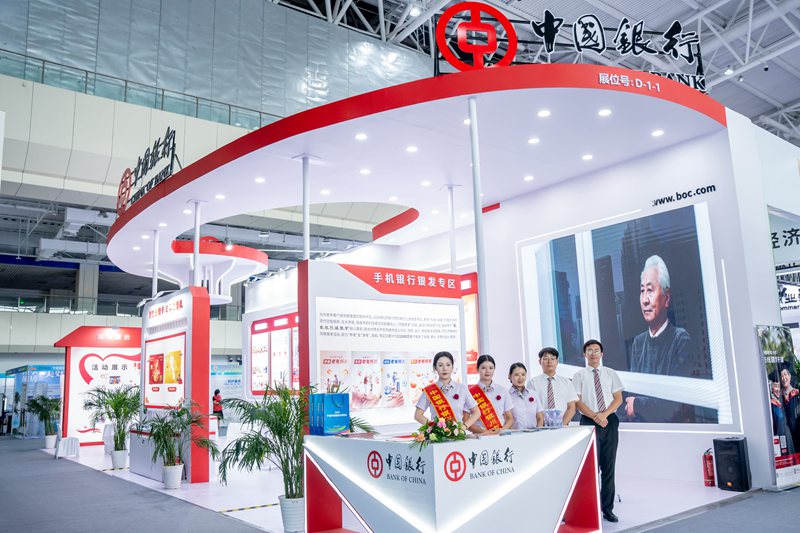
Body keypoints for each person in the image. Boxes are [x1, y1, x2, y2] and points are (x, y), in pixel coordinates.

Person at [626, 255, 692, 421]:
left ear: (666, 298)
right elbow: (630, 401)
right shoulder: (638, 343)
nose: (645, 300)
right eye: (642, 291)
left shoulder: (680, 340)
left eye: (650, 290)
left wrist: (638, 405)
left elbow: (675, 405)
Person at [574, 339, 623, 523]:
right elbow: (577, 401)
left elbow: (618, 398)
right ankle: (590, 508)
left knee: (609, 467)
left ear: (602, 354)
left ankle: (607, 509)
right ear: (584, 354)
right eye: (589, 350)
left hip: (609, 421)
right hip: (588, 421)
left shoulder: (611, 373)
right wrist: (595, 416)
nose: (593, 353)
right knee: (591, 468)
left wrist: (604, 415)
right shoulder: (579, 375)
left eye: (596, 350)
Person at [415, 352, 480, 430]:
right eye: (440, 365)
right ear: (435, 368)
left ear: (452, 367)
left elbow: (477, 412)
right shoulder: (429, 390)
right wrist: (434, 427)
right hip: (438, 436)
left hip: (458, 434)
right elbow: (418, 415)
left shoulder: (462, 389)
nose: (445, 368)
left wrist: (464, 426)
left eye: (448, 365)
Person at [530, 347, 577, 427]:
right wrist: (540, 426)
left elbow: (571, 408)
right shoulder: (533, 382)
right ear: (540, 361)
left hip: (563, 427)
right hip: (541, 427)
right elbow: (532, 408)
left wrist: (561, 425)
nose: (549, 361)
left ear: (557, 361)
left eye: (552, 358)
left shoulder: (567, 382)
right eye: (545, 359)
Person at [467, 355, 514, 434]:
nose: (487, 371)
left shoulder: (502, 390)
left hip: (500, 435)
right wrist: (484, 432)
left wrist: (501, 431)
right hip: (480, 435)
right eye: (483, 368)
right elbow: (466, 420)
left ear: (494, 369)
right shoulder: (470, 392)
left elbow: (510, 418)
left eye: (491, 368)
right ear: (477, 369)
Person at [507, 362, 543, 429]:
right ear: (509, 376)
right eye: (517, 375)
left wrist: (539, 432)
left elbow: (540, 418)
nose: (520, 378)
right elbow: (506, 420)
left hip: (534, 433)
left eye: (523, 374)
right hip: (516, 434)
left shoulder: (533, 394)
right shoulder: (506, 396)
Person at [770, 380, 795, 456]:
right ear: (771, 389)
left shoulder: (783, 399)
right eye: (775, 386)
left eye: (778, 386)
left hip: (786, 433)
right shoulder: (771, 403)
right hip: (778, 434)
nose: (777, 389)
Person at [781, 368, 800, 451]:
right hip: (786, 433)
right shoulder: (779, 396)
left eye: (785, 374)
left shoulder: (796, 393)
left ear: (790, 376)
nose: (783, 378)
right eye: (781, 376)